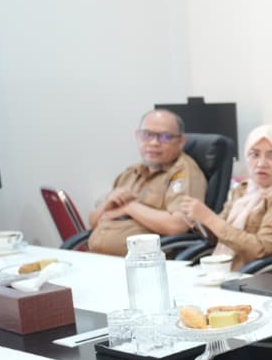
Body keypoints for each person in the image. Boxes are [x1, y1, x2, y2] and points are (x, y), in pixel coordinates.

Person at [176, 125, 272, 270]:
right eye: (255, 154)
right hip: (225, 270)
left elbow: (261, 250)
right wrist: (199, 222)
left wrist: (208, 218)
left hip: (261, 277)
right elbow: (219, 236)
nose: (261, 164)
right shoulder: (244, 189)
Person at [86, 109, 206, 255]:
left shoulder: (183, 173)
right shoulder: (131, 173)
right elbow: (92, 222)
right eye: (147, 135)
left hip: (145, 262)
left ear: (181, 142)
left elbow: (177, 225)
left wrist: (129, 208)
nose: (154, 143)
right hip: (99, 257)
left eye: (165, 137)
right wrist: (107, 204)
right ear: (137, 136)